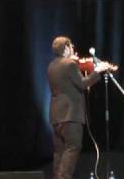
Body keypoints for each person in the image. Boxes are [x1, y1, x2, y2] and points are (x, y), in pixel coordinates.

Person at [48, 36, 110, 179]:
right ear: (66, 49)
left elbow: (69, 86)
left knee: (59, 152)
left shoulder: (51, 66)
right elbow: (83, 83)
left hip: (56, 116)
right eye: (71, 46)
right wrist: (98, 70)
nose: (73, 49)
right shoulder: (69, 64)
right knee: (73, 147)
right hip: (70, 115)